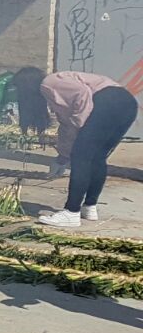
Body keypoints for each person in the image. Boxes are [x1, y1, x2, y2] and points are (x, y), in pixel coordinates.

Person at [13, 67, 139, 228]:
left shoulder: (49, 83)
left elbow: (82, 95)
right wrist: (62, 158)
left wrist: (82, 126)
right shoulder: (53, 91)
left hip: (108, 102)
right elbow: (67, 126)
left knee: (81, 157)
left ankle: (71, 212)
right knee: (97, 157)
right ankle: (89, 207)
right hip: (127, 105)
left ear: (26, 86)